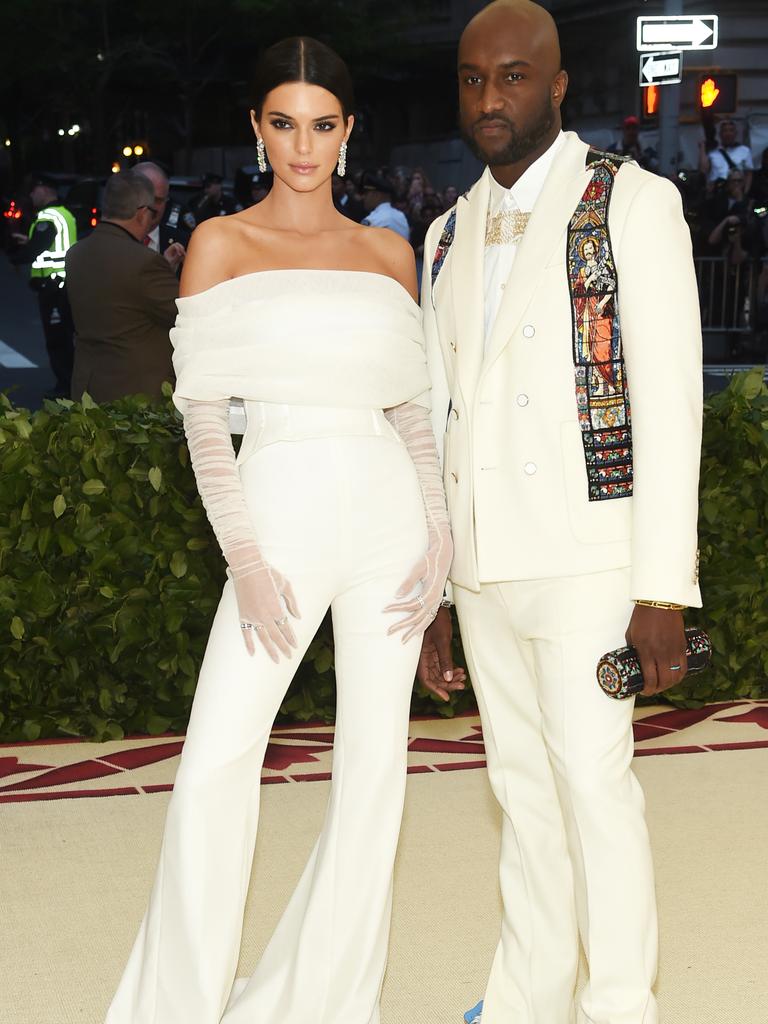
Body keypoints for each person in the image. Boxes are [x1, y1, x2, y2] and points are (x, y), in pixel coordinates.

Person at [104, 35, 455, 1024]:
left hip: (390, 525)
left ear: (348, 132)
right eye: (286, 123)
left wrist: (440, 540)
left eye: (325, 125)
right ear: (259, 128)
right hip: (280, 523)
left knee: (374, 773)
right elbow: (204, 419)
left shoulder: (389, 252)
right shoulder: (219, 245)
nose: (305, 146)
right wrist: (246, 557)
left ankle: (326, 1001)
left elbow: (415, 416)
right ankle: (173, 1005)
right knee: (217, 760)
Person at [417, 3, 703, 1023]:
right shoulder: (445, 233)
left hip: (590, 565)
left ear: (557, 82)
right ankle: (528, 993)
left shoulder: (631, 202)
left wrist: (666, 589)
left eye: (513, 76)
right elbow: (442, 419)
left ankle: (620, 1003)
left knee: (594, 791)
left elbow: (670, 401)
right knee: (522, 797)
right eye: (472, 80)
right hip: (484, 570)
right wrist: (437, 591)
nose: (491, 98)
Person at [67, 170, 182, 403]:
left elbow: (120, 301)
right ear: (141, 213)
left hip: (88, 388)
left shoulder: (76, 253)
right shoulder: (144, 261)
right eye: (152, 213)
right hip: (135, 398)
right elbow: (186, 313)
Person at [8, 173, 77, 397]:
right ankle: (68, 384)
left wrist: (15, 257)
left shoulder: (48, 216)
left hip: (54, 286)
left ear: (45, 190)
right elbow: (51, 245)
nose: (30, 195)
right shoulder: (63, 214)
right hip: (62, 284)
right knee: (64, 336)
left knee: (58, 338)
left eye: (33, 190)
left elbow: (37, 249)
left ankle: (65, 387)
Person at [133, 160, 190, 259]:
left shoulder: (183, 243)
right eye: (147, 198)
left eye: (158, 200)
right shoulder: (112, 241)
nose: (151, 206)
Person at [699, 118, 754, 191]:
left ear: (735, 133)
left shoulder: (744, 150)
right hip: (716, 190)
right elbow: (703, 170)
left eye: (731, 130)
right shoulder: (713, 152)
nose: (728, 133)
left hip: (736, 190)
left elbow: (749, 174)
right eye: (725, 130)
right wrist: (702, 148)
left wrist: (745, 194)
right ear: (720, 134)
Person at [360, 170, 410, 240]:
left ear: (377, 195)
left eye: (366, 193)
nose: (363, 197)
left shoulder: (373, 220)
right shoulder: (401, 216)